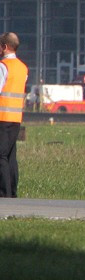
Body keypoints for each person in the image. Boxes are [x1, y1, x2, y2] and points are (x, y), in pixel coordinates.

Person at [0, 32, 28, 198]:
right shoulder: (23, 67)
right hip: (16, 118)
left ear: (4, 47)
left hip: (2, 116)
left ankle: (3, 192)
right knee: (10, 156)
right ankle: (13, 192)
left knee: (1, 155)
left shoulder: (4, 66)